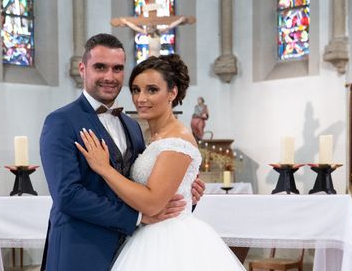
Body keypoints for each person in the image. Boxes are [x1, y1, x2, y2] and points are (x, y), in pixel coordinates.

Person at [40, 34, 204, 271]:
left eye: (117, 68)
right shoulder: (61, 121)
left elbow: (143, 186)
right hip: (81, 250)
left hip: (132, 252)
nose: (109, 76)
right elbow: (67, 195)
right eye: (100, 67)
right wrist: (137, 217)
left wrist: (183, 193)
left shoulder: (132, 125)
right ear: (82, 69)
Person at [76, 54, 245, 271]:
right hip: (146, 233)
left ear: (172, 92)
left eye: (152, 90)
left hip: (169, 240)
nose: (141, 98)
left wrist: (104, 169)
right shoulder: (149, 134)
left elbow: (153, 203)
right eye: (136, 90)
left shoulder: (178, 138)